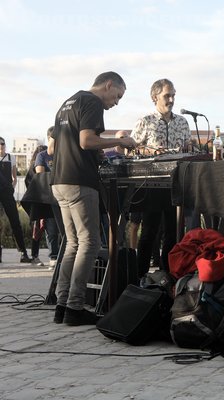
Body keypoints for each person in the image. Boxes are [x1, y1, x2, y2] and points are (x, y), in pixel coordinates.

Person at [50, 71, 137, 326]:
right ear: (108, 85)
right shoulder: (92, 102)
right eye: (117, 96)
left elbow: (57, 147)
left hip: (60, 181)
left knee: (73, 244)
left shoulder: (68, 102)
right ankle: (75, 308)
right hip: (79, 181)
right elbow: (87, 141)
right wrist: (119, 141)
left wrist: (99, 156)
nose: (116, 102)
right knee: (90, 242)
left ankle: (62, 305)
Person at [131, 78, 190, 277]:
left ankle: (169, 275)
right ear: (155, 97)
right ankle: (139, 275)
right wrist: (149, 151)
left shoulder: (183, 122)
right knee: (149, 231)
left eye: (173, 94)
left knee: (173, 234)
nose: (172, 99)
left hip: (176, 184)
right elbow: (132, 150)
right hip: (153, 184)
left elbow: (188, 148)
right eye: (167, 95)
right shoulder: (145, 121)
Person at [0, 136, 33, 263]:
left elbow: (14, 176)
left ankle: (23, 253)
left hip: (7, 193)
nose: (1, 146)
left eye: (2, 144)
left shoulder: (10, 158)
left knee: (15, 222)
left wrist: (13, 187)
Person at [34, 128, 61, 270]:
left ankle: (64, 257)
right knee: (51, 230)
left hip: (63, 196)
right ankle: (53, 257)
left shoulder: (63, 154)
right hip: (48, 198)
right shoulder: (42, 156)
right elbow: (40, 176)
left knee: (64, 230)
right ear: (50, 137)